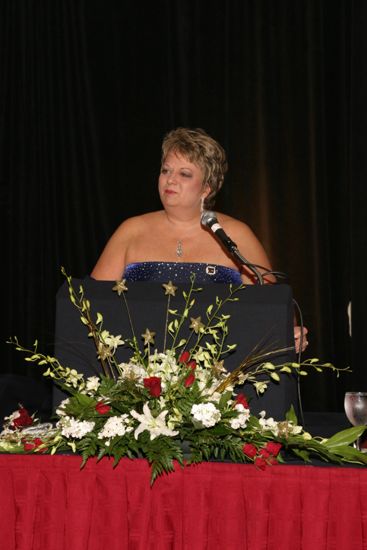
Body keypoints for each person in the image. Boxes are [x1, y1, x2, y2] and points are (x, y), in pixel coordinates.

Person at [91, 127, 308, 352]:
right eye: (166, 171)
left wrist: (290, 333)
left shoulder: (235, 234)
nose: (170, 180)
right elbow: (89, 306)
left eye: (184, 174)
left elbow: (271, 305)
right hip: (136, 374)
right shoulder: (130, 231)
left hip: (220, 375)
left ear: (206, 188)